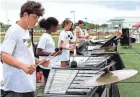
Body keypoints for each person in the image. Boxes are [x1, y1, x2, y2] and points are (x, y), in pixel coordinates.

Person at [1, 1, 49, 97]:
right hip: (16, 88)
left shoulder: (26, 31)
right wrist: (23, 66)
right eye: (34, 17)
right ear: (25, 14)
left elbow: (24, 54)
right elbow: (4, 56)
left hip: (27, 84)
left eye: (38, 18)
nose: (36, 21)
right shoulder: (14, 31)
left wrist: (38, 61)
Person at [36, 17, 61, 85]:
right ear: (52, 26)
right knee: (48, 85)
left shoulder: (48, 36)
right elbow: (38, 52)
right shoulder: (45, 37)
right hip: (46, 64)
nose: (57, 28)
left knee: (49, 84)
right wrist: (54, 54)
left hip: (50, 64)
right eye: (57, 26)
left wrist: (55, 53)